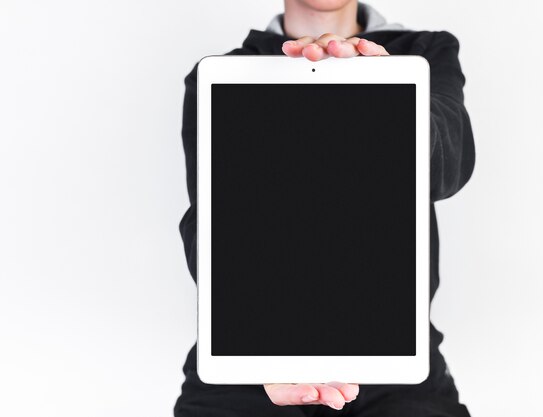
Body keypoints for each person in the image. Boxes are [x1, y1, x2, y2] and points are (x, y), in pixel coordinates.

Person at [174, 1, 475, 416]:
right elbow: (212, 225)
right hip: (249, 353)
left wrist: (390, 102)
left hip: (394, 356)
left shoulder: (422, 52)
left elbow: (448, 166)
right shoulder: (228, 72)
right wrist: (250, 337)